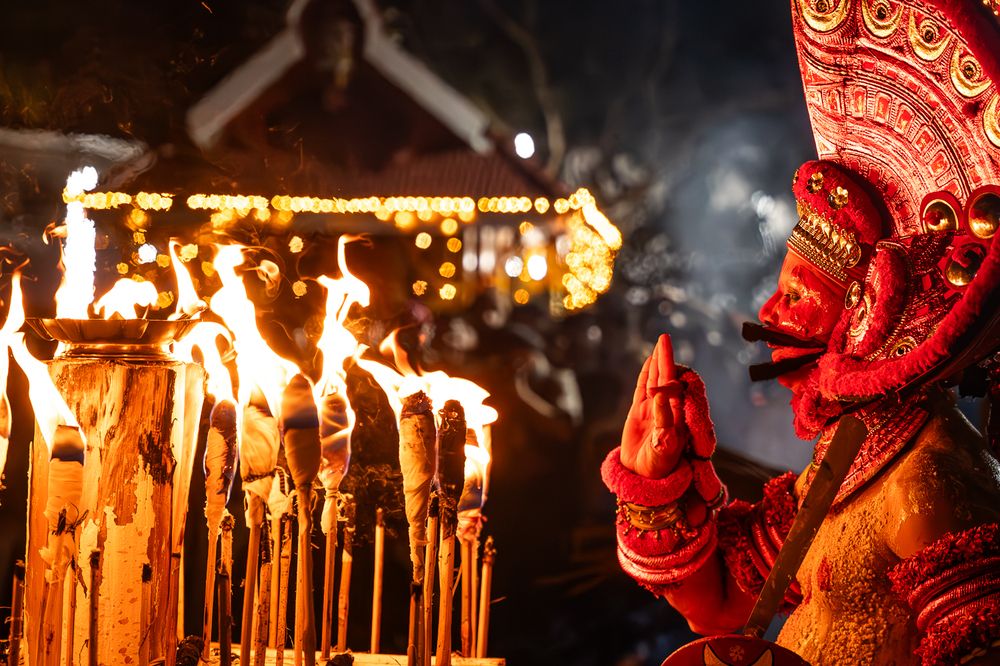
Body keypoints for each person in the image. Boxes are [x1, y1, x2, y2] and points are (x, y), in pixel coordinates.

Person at [602, 0, 1000, 663]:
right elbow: (727, 602)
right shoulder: (851, 457)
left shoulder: (931, 477)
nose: (773, 313)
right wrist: (662, 479)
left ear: (871, 310)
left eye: (795, 294)